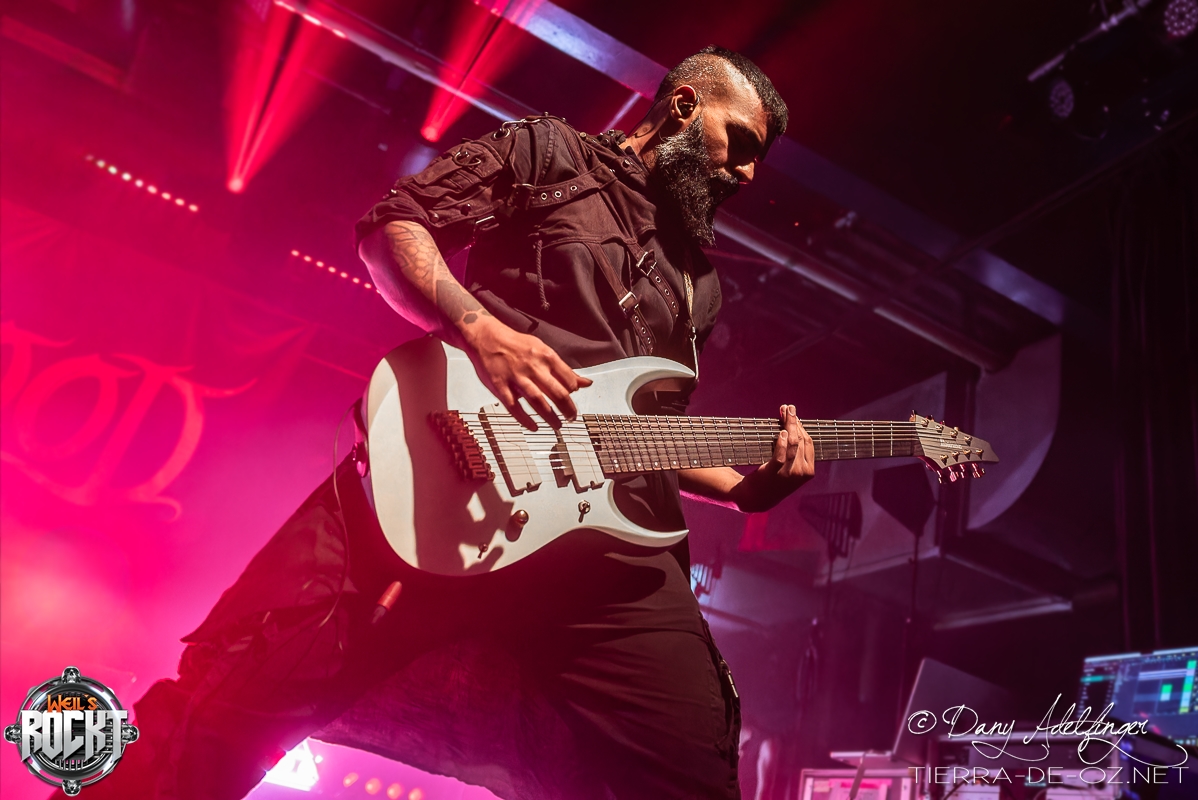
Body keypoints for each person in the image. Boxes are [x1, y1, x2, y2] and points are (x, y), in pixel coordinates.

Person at [82, 46, 815, 800]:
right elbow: (394, 228)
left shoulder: (699, 286)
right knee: (225, 704)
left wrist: (742, 492)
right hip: (450, 479)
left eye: (757, 160)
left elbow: (647, 434)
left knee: (692, 771)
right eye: (741, 143)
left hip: (599, 561)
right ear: (685, 106)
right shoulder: (550, 153)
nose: (746, 173)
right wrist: (480, 329)